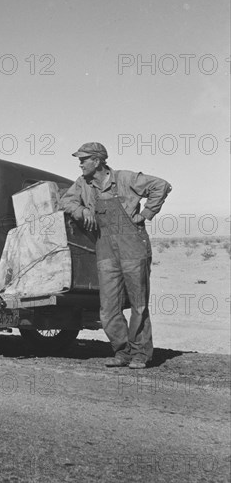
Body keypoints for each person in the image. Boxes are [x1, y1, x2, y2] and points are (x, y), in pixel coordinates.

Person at [60, 142, 171, 369]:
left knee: (138, 303)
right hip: (105, 248)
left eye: (84, 159)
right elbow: (65, 200)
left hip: (132, 246)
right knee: (108, 306)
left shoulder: (125, 179)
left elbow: (162, 185)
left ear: (98, 160)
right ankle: (122, 351)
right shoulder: (83, 184)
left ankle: (140, 354)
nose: (80, 164)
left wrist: (147, 213)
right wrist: (81, 210)